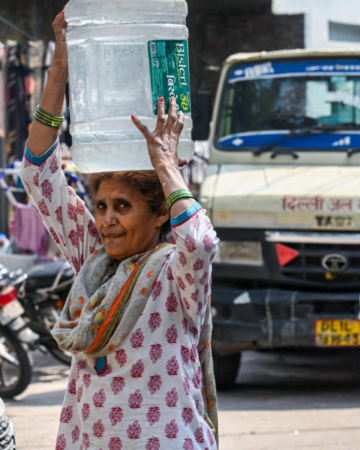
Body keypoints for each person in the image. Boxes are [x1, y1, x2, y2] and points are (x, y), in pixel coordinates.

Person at [20, 10, 219, 450]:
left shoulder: (176, 274)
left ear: (160, 213)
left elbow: (202, 241)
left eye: (123, 207)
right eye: (102, 205)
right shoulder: (96, 260)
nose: (107, 219)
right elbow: (37, 174)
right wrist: (59, 71)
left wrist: (165, 165)